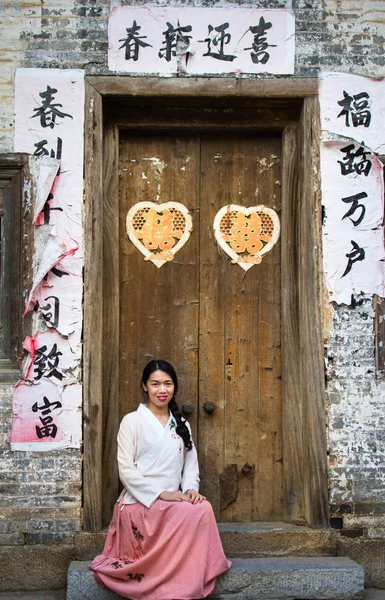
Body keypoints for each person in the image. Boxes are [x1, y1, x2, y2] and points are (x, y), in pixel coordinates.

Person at [90, 359, 231, 599]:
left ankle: (186, 578)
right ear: (145, 386)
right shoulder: (131, 421)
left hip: (173, 500)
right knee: (188, 513)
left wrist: (190, 489)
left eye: (167, 384)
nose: (162, 390)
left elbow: (190, 465)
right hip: (140, 501)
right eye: (155, 384)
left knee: (202, 508)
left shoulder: (181, 424)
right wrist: (159, 494)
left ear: (174, 387)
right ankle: (164, 580)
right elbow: (125, 469)